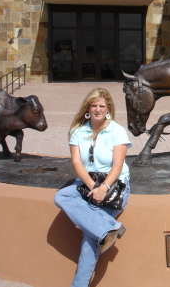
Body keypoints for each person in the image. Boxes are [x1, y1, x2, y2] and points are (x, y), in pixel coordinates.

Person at [54, 88, 132, 287]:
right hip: (86, 185)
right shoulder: (78, 132)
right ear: (88, 108)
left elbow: (117, 165)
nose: (98, 109)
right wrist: (92, 186)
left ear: (108, 109)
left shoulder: (117, 131)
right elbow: (76, 163)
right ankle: (109, 229)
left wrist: (103, 187)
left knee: (90, 238)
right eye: (94, 105)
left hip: (114, 186)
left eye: (102, 106)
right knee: (61, 196)